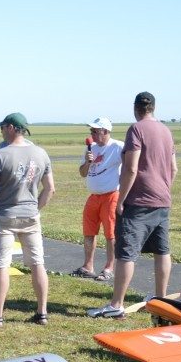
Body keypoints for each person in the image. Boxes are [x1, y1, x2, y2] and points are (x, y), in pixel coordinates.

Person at [89, 92, 177, 319]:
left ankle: (116, 304)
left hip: (138, 201)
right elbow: (174, 168)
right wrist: (164, 188)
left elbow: (131, 168)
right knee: (162, 251)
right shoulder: (166, 131)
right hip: (162, 200)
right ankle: (161, 299)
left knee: (126, 253)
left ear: (135, 108)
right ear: (153, 107)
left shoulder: (136, 129)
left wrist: (122, 199)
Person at [0, 112, 54, 326]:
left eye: (2, 127)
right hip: (31, 216)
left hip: (5, 217)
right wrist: (36, 208)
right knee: (37, 263)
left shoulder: (0, 154)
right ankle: (42, 313)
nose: (1, 131)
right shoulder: (41, 153)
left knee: (1, 266)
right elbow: (50, 188)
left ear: (11, 128)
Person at [72, 117, 123, 280]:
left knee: (110, 234)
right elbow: (82, 173)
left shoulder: (118, 147)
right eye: (91, 131)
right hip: (94, 196)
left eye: (95, 131)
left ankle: (109, 268)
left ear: (105, 131)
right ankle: (88, 266)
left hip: (111, 195)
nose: (92, 134)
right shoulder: (91, 148)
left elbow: (132, 166)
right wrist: (88, 162)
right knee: (88, 232)